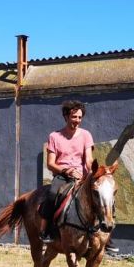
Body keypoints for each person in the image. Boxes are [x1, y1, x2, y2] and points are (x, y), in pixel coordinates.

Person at [41, 101, 94, 244]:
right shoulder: (54, 136)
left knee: (100, 196)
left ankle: (104, 238)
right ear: (66, 116)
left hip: (82, 177)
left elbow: (88, 160)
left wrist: (94, 172)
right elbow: (50, 164)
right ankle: (45, 231)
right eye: (74, 117)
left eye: (79, 117)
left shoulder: (86, 135)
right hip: (62, 176)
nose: (77, 121)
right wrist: (66, 170)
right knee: (52, 195)